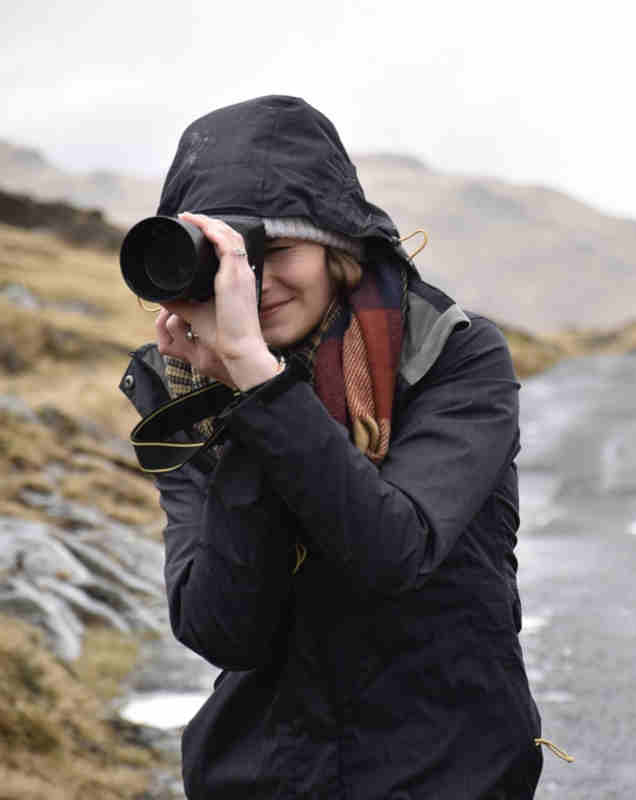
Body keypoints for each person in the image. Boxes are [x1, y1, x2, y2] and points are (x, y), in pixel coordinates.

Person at [119, 95, 544, 798]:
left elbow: (391, 549)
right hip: (265, 778)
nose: (253, 285)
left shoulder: (450, 357)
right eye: (225, 262)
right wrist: (236, 399)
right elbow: (226, 631)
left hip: (446, 775)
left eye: (274, 250)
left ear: (337, 244)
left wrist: (258, 386)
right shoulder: (188, 388)